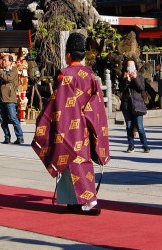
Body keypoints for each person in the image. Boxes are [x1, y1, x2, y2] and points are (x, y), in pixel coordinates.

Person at [32, 32, 110, 216]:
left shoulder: (65, 75)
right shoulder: (91, 76)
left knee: (70, 163)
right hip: (85, 126)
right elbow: (97, 107)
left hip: (67, 126)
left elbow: (57, 104)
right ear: (83, 55)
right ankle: (76, 201)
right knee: (82, 161)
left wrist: (43, 120)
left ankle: (85, 202)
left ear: (68, 55)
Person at [0, 54, 25, 144]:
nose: (3, 62)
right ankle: (7, 137)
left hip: (9, 99)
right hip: (0, 99)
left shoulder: (14, 70)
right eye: (2, 60)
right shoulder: (0, 71)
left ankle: (20, 137)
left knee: (13, 118)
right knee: (2, 120)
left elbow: (7, 78)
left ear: (10, 62)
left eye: (5, 60)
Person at [119, 59, 150, 153]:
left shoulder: (139, 75)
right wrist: (127, 80)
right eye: (129, 66)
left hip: (137, 104)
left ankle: (145, 145)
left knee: (140, 127)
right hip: (126, 105)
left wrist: (135, 78)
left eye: (133, 66)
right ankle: (131, 145)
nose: (131, 68)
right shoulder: (123, 76)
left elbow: (141, 88)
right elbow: (121, 89)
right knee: (129, 126)